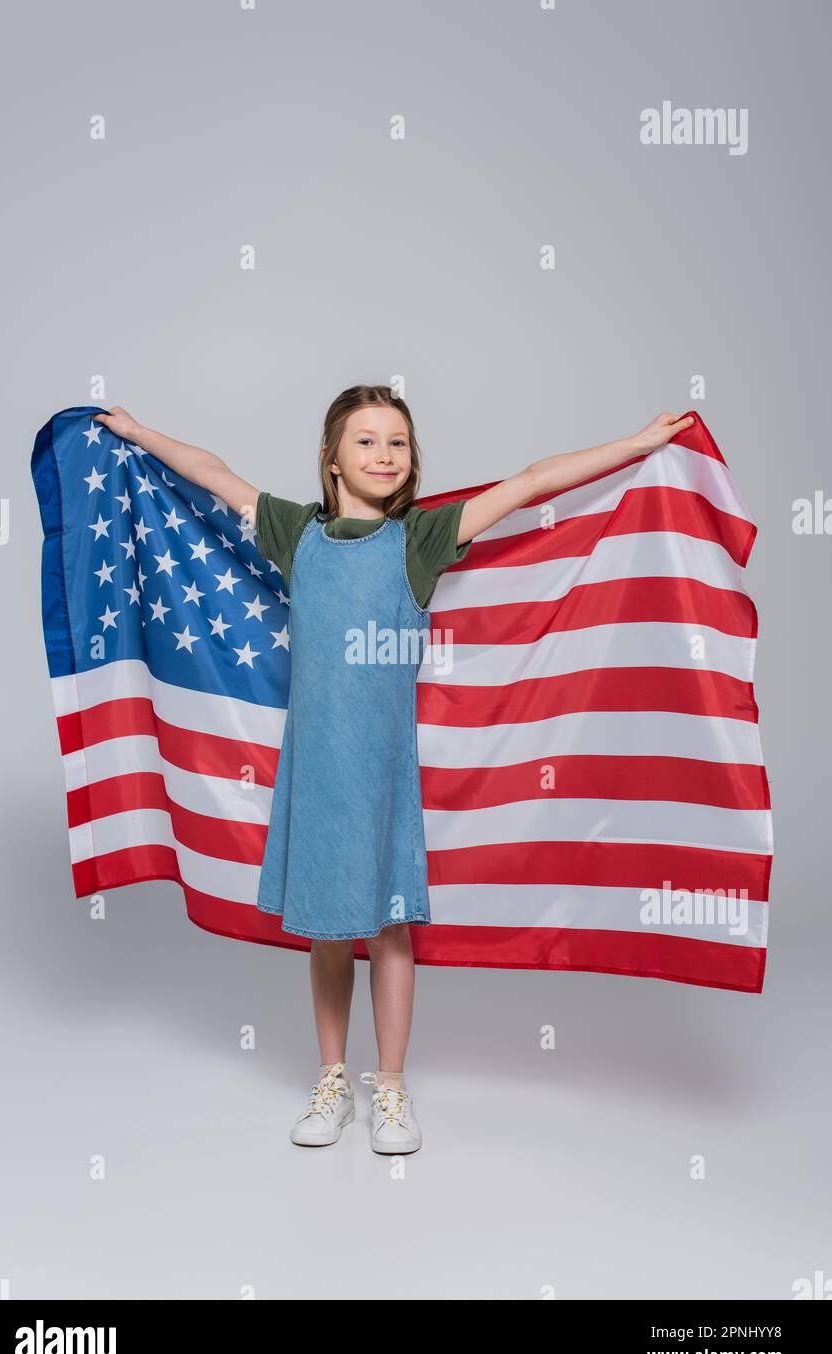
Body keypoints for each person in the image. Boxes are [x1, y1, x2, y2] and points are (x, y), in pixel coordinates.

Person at [93, 386, 693, 1155]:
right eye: (367, 441)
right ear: (331, 457)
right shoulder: (294, 531)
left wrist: (632, 443)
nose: (383, 455)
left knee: (388, 930)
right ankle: (333, 1078)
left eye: (397, 443)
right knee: (325, 930)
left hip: (381, 777)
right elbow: (212, 472)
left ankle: (393, 1085)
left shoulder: (419, 541)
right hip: (314, 773)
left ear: (411, 461)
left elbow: (527, 483)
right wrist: (141, 432)